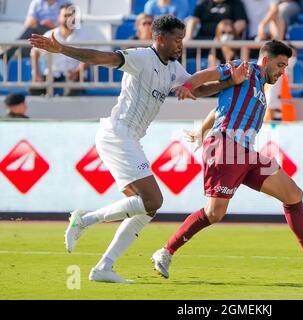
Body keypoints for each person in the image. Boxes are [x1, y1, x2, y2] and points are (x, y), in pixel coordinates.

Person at [28, 15, 250, 283]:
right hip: (117, 135)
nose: (181, 44)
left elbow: (198, 89)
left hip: (129, 139)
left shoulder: (174, 69)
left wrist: (230, 82)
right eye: (177, 39)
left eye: (182, 39)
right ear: (159, 38)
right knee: (154, 200)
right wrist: (62, 49)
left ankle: (103, 268)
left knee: (146, 208)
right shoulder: (142, 57)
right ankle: (84, 220)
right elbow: (101, 58)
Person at [151, 40, 303, 279]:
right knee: (214, 214)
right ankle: (166, 252)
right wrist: (188, 86)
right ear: (265, 60)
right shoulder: (245, 68)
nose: (282, 72)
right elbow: (206, 74)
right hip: (225, 147)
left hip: (246, 152)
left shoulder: (259, 87)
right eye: (280, 65)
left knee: (293, 194)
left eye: (285, 67)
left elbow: (220, 108)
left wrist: (201, 130)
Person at [30, 3, 89, 96]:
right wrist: (36, 72)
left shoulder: (83, 36)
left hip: (76, 75)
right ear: (58, 17)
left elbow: (88, 57)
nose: (68, 18)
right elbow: (35, 52)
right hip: (52, 75)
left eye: (71, 15)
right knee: (34, 89)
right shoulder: (50, 34)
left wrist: (77, 72)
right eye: (65, 15)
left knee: (71, 91)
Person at [1, 0, 71, 61]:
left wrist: (54, 25)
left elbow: (70, 22)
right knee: (30, 34)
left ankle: (8, 55)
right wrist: (38, 22)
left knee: (30, 36)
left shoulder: (65, 2)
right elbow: (28, 23)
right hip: (39, 30)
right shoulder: (36, 3)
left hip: (58, 31)